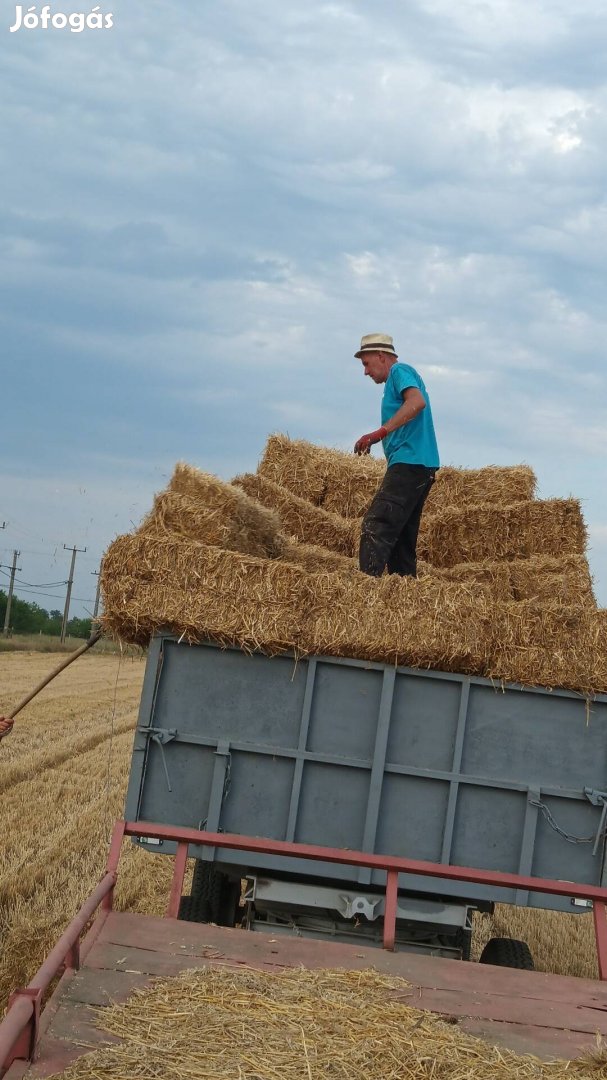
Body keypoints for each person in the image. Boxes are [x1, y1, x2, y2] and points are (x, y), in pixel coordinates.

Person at [353, 333, 439, 578]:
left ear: (381, 356)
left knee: (376, 525)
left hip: (409, 463)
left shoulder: (399, 371)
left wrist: (380, 432)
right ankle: (404, 601)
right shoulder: (400, 378)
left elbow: (416, 402)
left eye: (366, 364)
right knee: (401, 542)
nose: (366, 372)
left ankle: (363, 591)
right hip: (422, 466)